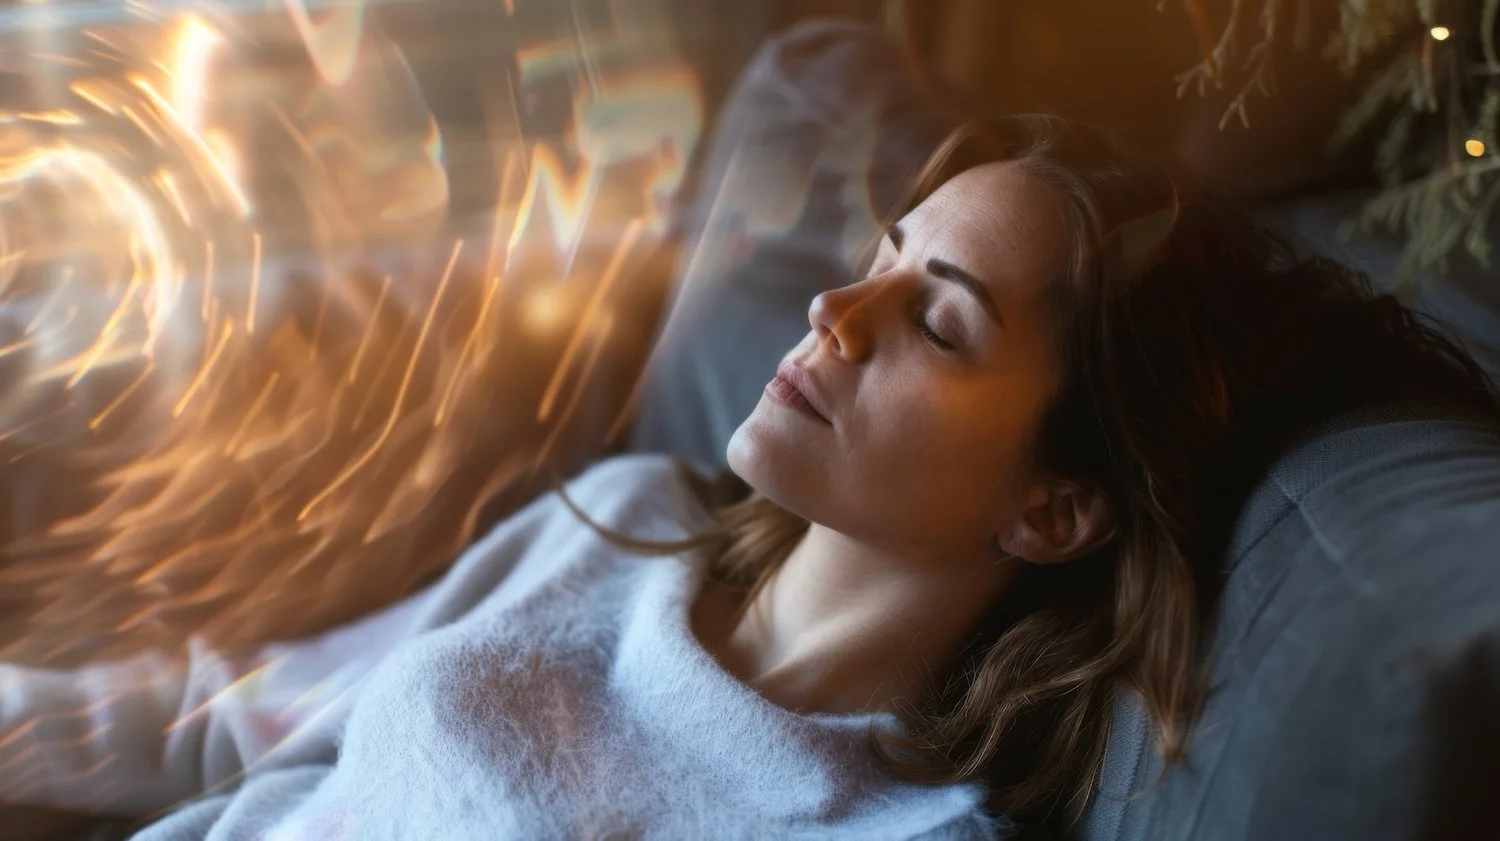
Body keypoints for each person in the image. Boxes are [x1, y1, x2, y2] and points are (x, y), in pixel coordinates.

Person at [1, 113, 1497, 840]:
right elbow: (237, 734)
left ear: (1052, 508)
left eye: (938, 320)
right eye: (879, 258)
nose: (835, 316)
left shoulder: (909, 832)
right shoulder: (629, 524)